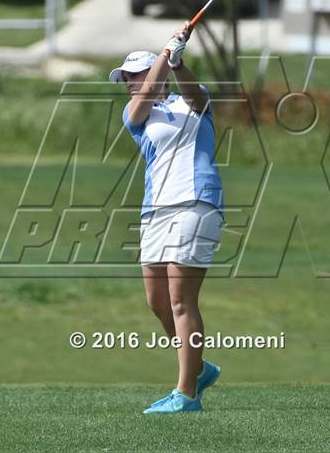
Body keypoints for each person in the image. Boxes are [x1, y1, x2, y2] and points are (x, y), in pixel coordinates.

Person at [109, 22, 225, 413]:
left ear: (153, 74)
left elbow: (195, 95)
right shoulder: (135, 113)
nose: (128, 83)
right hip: (155, 209)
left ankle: (186, 394)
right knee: (157, 301)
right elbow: (141, 101)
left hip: (196, 201)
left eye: (133, 76)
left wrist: (175, 63)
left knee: (180, 300)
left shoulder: (193, 101)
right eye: (124, 79)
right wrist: (164, 55)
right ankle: (199, 367)